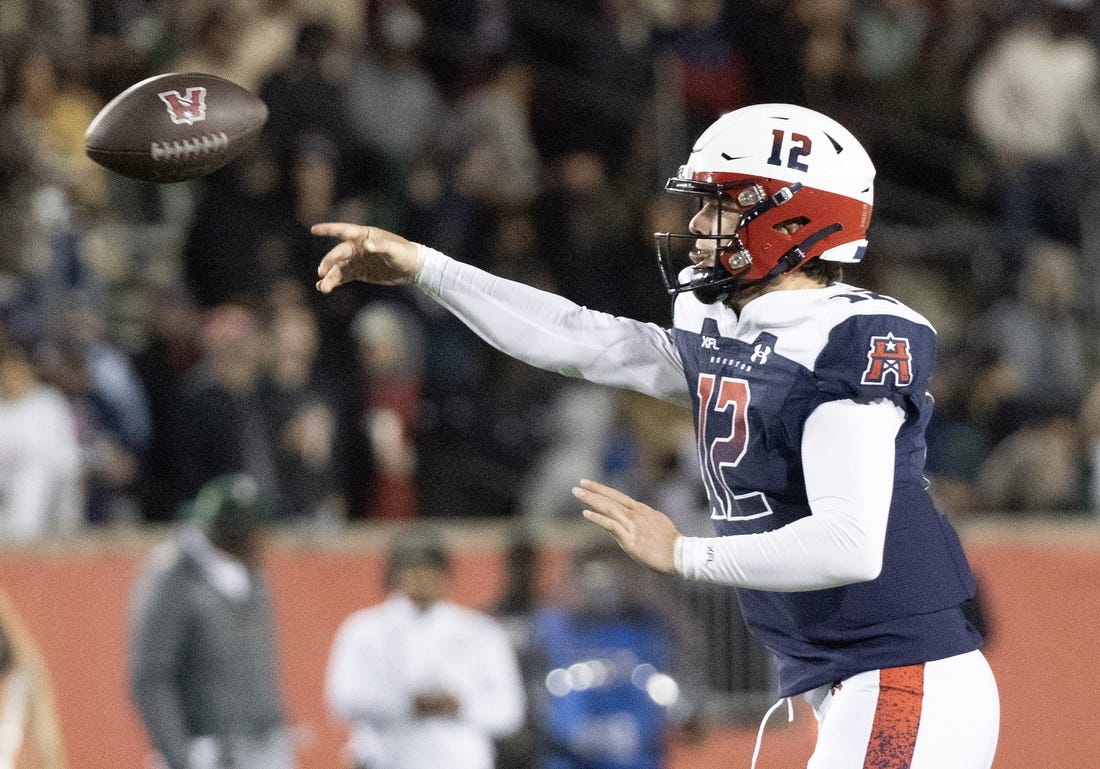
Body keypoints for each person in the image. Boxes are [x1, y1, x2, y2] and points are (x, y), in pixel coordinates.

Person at [312, 102, 999, 768]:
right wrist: (429, 269)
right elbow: (585, 339)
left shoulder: (844, 338)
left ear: (791, 215)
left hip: (904, 673)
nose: (696, 222)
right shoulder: (731, 325)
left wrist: (682, 553)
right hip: (854, 680)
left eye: (720, 204)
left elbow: (850, 545)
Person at [127, 473, 293, 769]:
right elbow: (151, 677)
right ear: (233, 533)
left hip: (263, 745)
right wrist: (179, 756)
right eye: (255, 529)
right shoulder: (173, 577)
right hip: (207, 751)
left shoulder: (250, 574)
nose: (264, 538)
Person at [324, 527, 526, 769]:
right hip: (386, 757)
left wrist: (460, 706)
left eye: (431, 569)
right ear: (393, 575)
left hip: (458, 760)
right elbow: (342, 699)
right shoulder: (364, 629)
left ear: (446, 575)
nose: (422, 577)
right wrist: (406, 704)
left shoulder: (480, 632)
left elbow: (510, 712)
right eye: (411, 569)